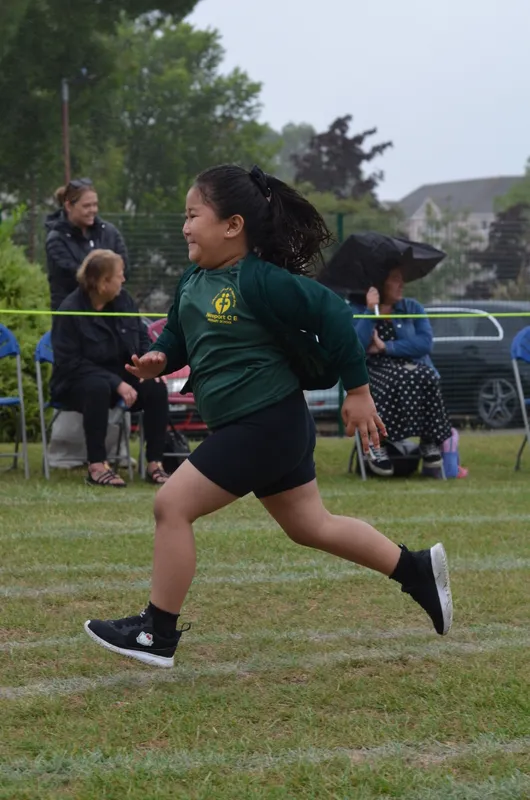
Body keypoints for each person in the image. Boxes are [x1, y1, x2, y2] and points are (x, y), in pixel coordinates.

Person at [84, 165, 453, 668]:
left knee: (172, 505)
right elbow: (177, 334)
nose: (185, 226)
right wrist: (160, 359)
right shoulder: (193, 278)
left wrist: (359, 391)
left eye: (194, 215)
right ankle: (415, 571)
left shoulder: (260, 280)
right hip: (267, 426)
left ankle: (157, 632)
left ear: (233, 226)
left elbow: (335, 316)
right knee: (311, 525)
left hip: (266, 423)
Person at [50, 249, 170, 487]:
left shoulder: (124, 301)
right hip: (77, 382)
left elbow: (141, 337)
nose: (123, 280)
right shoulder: (70, 308)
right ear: (103, 282)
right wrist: (116, 383)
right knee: (97, 387)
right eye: (120, 275)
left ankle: (155, 464)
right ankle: (96, 466)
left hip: (122, 375)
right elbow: (70, 363)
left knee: (156, 387)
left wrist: (147, 365)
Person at [351, 270, 452, 477]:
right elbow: (356, 347)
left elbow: (424, 343)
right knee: (391, 379)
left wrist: (386, 347)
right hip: (374, 370)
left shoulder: (412, 307)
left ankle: (429, 441)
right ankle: (375, 443)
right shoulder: (357, 308)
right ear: (380, 283)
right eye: (395, 279)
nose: (402, 283)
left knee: (427, 376)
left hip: (412, 366)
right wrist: (371, 311)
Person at [45, 178, 129, 311]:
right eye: (86, 206)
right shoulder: (56, 239)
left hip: (111, 311)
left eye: (95, 205)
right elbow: (76, 279)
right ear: (68, 206)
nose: (93, 210)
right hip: (73, 315)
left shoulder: (109, 232)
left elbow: (124, 270)